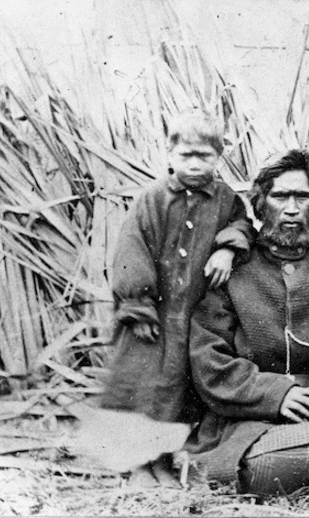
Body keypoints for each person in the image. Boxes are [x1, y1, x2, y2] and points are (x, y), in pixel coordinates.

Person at [184, 149, 309, 496]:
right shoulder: (233, 271)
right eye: (280, 196)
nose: (292, 208)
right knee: (282, 460)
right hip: (244, 424)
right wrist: (278, 395)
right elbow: (209, 361)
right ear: (260, 204)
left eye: (302, 196)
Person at [101, 109, 256, 424]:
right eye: (186, 155)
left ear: (219, 157)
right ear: (170, 154)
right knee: (141, 379)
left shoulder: (226, 200)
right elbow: (132, 248)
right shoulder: (153, 198)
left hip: (196, 313)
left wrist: (227, 249)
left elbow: (243, 225)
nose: (195, 164)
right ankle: (137, 460)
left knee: (184, 385)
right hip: (154, 312)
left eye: (205, 156)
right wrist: (137, 305)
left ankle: (172, 453)